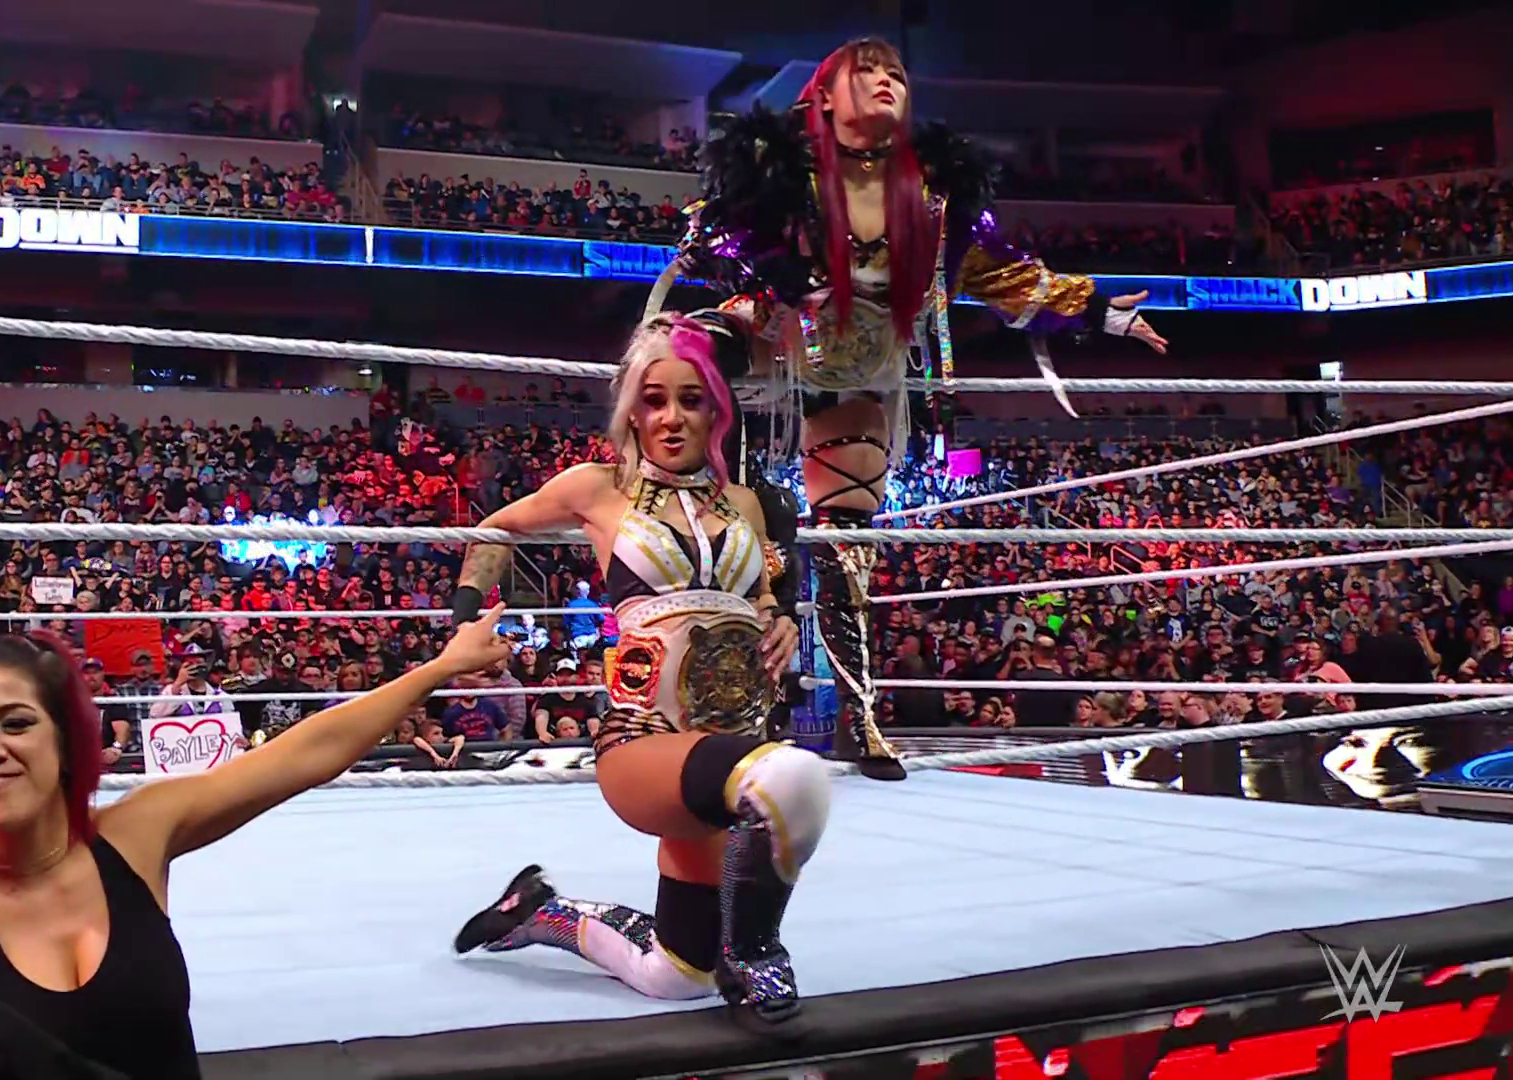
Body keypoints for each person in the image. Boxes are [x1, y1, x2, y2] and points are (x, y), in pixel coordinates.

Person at [657, 37, 1169, 779]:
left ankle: (859, 719)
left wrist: (1099, 311)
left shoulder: (933, 187)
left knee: (848, 547)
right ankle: (718, 597)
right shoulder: (780, 167)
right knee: (684, 360)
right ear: (823, 95)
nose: (886, 81)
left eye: (896, 72)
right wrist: (787, 272)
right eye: (867, 71)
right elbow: (707, 235)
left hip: (866, 363)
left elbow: (998, 272)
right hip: (777, 330)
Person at [0, 612, 511, 1079]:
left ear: (65, 740)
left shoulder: (136, 834)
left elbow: (307, 752)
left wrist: (441, 667)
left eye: (15, 723)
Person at [447, 313, 825, 1035]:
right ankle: (756, 953)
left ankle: (541, 913)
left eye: (691, 400)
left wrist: (777, 617)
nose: (672, 417)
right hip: (645, 739)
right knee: (794, 780)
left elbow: (763, 593)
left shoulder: (744, 503)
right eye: (654, 401)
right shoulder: (598, 488)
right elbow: (497, 526)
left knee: (676, 976)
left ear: (717, 411)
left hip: (729, 741)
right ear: (632, 412)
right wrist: (467, 609)